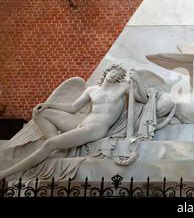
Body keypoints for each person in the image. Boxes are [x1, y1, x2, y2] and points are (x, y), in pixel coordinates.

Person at [0, 65, 148, 180]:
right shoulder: (92, 89)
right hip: (82, 122)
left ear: (120, 77)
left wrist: (138, 81)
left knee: (48, 145)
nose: (114, 74)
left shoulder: (123, 87)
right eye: (112, 70)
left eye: (117, 73)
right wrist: (48, 104)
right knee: (42, 113)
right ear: (106, 72)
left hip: (97, 128)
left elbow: (143, 98)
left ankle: (7, 173)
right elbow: (73, 107)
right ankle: (62, 150)